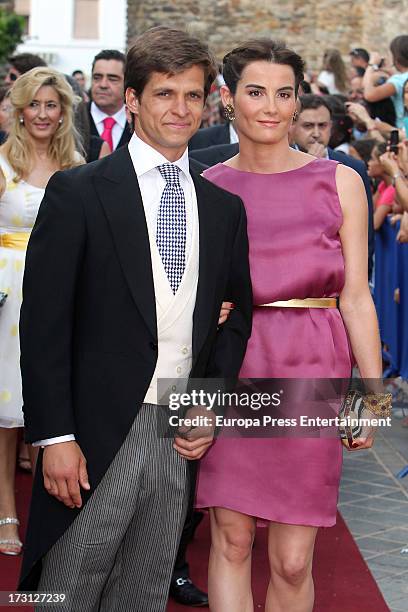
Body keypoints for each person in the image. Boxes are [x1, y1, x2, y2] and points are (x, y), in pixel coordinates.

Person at [18, 26, 252, 612]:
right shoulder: (79, 192)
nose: (180, 109)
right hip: (94, 433)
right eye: (165, 94)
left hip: (176, 430)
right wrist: (54, 437)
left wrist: (208, 401)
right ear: (133, 100)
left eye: (193, 95)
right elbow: (43, 325)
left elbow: (235, 318)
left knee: (142, 593)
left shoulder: (223, 208)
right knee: (66, 591)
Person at [195, 37, 385, 612]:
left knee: (293, 558)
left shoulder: (340, 180)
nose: (271, 107)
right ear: (228, 99)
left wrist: (371, 397)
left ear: (299, 98)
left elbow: (355, 297)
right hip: (230, 366)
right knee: (230, 538)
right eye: (255, 92)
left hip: (311, 366)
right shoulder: (203, 186)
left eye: (284, 93)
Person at [0, 67, 83, 557]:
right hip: (9, 290)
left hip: (58, 288)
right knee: (7, 411)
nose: (43, 114)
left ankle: (50, 515)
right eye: (35, 104)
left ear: (63, 111)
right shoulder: (3, 163)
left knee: (52, 404)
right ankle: (6, 507)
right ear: (20, 109)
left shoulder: (76, 166)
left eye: (51, 105)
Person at [292, 94, 375, 278]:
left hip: (344, 279)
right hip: (296, 276)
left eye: (322, 126)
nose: (316, 133)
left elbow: (366, 233)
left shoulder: (353, 167)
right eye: (308, 126)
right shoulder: (281, 165)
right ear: (293, 127)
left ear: (331, 126)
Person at [88, 49, 132, 152]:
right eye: (97, 77)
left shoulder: (140, 124)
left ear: (127, 82)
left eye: (112, 79)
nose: (103, 85)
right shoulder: (74, 120)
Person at [363, 36, 408, 129]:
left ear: (396, 57)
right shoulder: (400, 78)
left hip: (403, 130)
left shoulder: (398, 80)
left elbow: (369, 95)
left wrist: (371, 65)